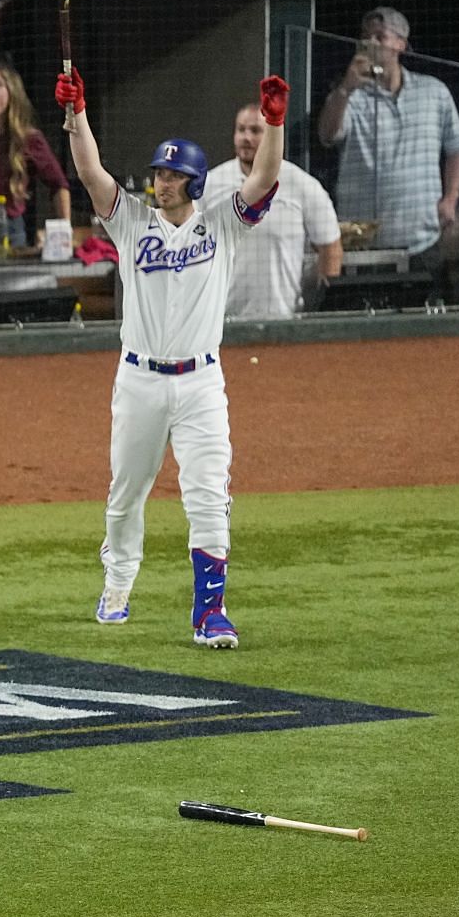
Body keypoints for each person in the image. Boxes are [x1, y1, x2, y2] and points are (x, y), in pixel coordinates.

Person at [56, 64, 290, 648]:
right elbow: (90, 170)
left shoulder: (221, 224)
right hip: (138, 381)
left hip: (202, 384)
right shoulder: (132, 224)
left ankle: (210, 614)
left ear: (193, 182)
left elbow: (262, 177)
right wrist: (77, 114)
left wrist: (273, 122)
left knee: (210, 493)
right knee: (127, 491)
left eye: (170, 175)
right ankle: (118, 581)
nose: (160, 182)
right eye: (158, 173)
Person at [316, 7, 459, 296]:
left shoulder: (434, 92)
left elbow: (456, 147)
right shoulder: (351, 97)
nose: (370, 43)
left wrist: (451, 198)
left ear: (400, 43)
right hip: (365, 246)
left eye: (379, 36)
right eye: (365, 37)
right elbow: (327, 135)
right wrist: (346, 88)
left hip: (421, 241)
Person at [211, 100, 343, 321]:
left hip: (285, 321)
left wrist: (318, 308)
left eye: (255, 131)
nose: (246, 138)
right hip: (223, 322)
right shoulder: (210, 185)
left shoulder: (302, 185)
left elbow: (331, 248)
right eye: (241, 129)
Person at [0, 62, 71, 249]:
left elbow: (59, 184)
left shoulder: (28, 139)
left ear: (12, 94)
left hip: (8, 231)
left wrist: (64, 230)